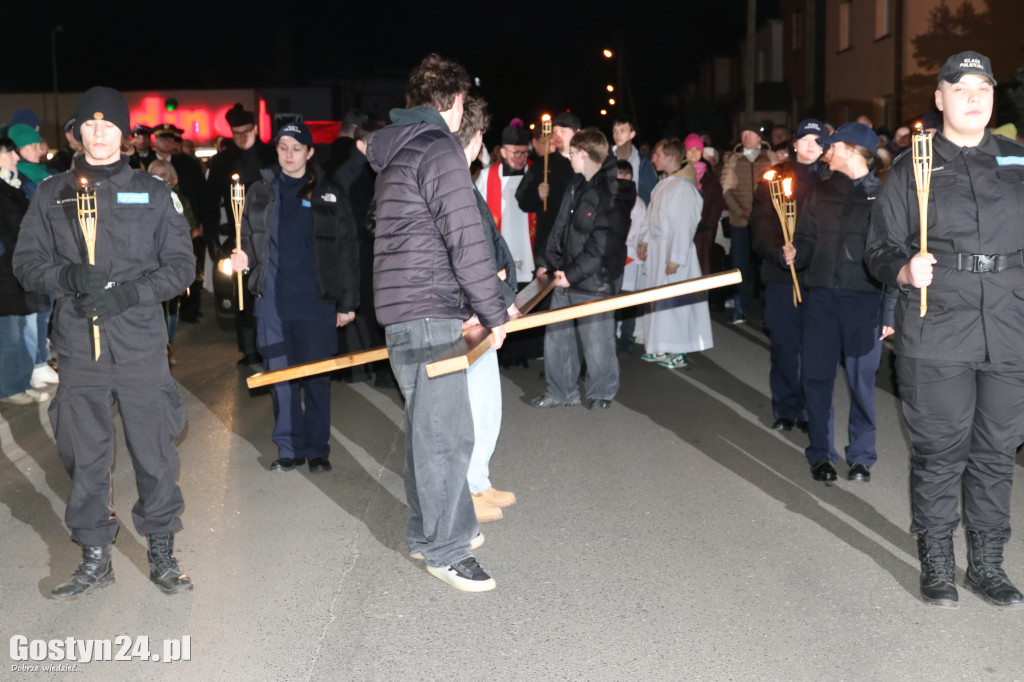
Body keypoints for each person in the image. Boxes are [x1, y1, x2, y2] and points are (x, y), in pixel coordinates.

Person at [13, 86, 196, 600]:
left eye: (108, 125)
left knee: (155, 454)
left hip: (138, 344)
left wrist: (134, 293)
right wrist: (67, 275)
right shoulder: (52, 194)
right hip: (79, 348)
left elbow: (182, 266)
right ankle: (95, 555)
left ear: (124, 132)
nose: (98, 133)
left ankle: (161, 550)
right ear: (77, 131)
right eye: (89, 125)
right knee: (84, 456)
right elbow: (25, 264)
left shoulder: (155, 193)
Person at [865, 50, 1024, 608]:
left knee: (996, 452)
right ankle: (936, 558)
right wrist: (904, 268)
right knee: (940, 450)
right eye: (961, 88)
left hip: (1010, 326)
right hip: (937, 327)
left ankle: (986, 562)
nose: (974, 97)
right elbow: (879, 248)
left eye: (983, 87)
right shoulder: (914, 164)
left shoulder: (1018, 160)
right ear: (940, 99)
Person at [367, 54, 508, 592]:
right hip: (428, 311)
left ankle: (431, 532)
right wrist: (493, 312)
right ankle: (446, 550)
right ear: (453, 101)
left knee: (431, 431)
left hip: (405, 310)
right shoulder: (439, 148)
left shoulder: (398, 150)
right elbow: (465, 238)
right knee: (445, 435)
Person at [231, 121, 359, 474]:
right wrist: (242, 259)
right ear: (276, 150)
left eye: (297, 148)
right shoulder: (259, 191)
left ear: (310, 152)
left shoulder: (328, 192)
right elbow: (247, 239)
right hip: (271, 303)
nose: (289, 154)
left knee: (317, 380)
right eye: (283, 147)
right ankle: (289, 449)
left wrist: (347, 303)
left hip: (316, 303)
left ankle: (318, 449)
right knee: (280, 381)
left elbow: (347, 249)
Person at [782, 122, 888, 484]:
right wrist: (797, 252)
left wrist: (890, 311)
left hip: (865, 302)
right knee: (817, 378)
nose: (827, 152)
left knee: (861, 383)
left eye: (833, 147)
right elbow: (808, 240)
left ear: (854, 151)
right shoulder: (820, 191)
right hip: (822, 297)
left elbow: (892, 258)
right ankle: (821, 454)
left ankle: (860, 456)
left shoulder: (884, 196)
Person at [531, 127, 634, 408]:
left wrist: (572, 274)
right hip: (563, 274)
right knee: (558, 337)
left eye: (572, 153)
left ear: (585, 154)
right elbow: (561, 226)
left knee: (597, 341)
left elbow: (603, 243)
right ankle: (560, 391)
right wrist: (547, 262)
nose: (569, 157)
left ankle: (602, 392)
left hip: (595, 280)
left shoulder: (614, 191)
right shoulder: (577, 183)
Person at [458, 97, 520, 522]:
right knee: (470, 407)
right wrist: (484, 303)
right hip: (469, 314)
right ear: (478, 139)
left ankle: (479, 479)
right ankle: (466, 489)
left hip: (486, 307)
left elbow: (493, 244)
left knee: (488, 404)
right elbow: (464, 256)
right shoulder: (453, 183)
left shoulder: (465, 181)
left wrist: (507, 295)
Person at [749, 119, 826, 432]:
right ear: (794, 143)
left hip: (819, 278)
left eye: (817, 139)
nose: (810, 145)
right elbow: (762, 223)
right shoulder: (775, 177)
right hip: (782, 277)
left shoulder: (832, 177)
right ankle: (785, 407)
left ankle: (810, 409)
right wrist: (778, 251)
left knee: (815, 348)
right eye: (805, 138)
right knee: (784, 344)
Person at [203, 104, 275, 364]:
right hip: (239, 235)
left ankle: (274, 343)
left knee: (271, 290)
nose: (242, 137)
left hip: (270, 232)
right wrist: (212, 236)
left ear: (255, 128)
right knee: (242, 292)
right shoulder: (222, 161)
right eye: (237, 133)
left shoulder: (271, 155)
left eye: (246, 131)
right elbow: (210, 201)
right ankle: (249, 348)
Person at [639, 137, 712, 369]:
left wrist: (676, 257)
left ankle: (679, 350)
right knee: (659, 301)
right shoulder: (665, 183)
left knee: (676, 303)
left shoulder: (684, 188)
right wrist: (644, 240)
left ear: (670, 157)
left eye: (657, 155)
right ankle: (660, 345)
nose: (653, 159)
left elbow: (684, 224)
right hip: (659, 248)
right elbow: (652, 216)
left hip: (673, 251)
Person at [0, 136, 53, 404]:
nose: (16, 158)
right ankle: (9, 388)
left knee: (22, 328)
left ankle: (21, 381)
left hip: (19, 269)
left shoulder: (14, 186)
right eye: (11, 153)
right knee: (10, 332)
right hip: (5, 272)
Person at [722, 122, 776, 324]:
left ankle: (767, 309)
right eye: (743, 134)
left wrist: (764, 212)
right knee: (738, 266)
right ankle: (739, 307)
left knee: (765, 265)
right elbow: (726, 190)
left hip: (765, 222)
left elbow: (777, 189)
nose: (746, 138)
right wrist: (740, 210)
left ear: (759, 138)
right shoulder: (734, 160)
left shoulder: (770, 159)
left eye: (750, 134)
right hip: (740, 222)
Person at [611, 117, 658, 204]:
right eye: (615, 131)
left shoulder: (643, 162)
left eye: (622, 130)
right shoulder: (606, 159)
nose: (617, 135)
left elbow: (652, 193)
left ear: (632, 134)